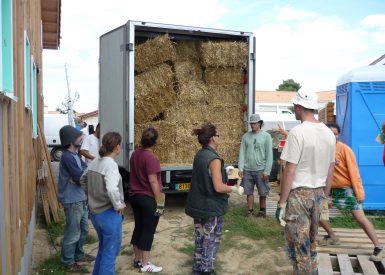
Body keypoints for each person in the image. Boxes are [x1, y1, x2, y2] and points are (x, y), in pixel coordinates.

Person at [275, 90, 336, 274]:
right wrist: (325, 196)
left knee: (299, 248)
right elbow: (330, 169)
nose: (294, 109)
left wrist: (282, 203)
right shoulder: (328, 133)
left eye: (294, 106)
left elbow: (290, 171)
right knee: (311, 244)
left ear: (299, 107)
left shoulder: (297, 132)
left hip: (299, 197)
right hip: (318, 194)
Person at [319, 123, 385, 261]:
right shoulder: (321, 149)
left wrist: (359, 193)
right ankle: (332, 236)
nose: (333, 136)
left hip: (346, 189)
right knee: (318, 213)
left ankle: (378, 247)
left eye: (335, 134)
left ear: (339, 135)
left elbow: (354, 173)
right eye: (330, 133)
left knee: (359, 217)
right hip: (328, 189)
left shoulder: (344, 149)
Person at [185, 122, 244, 275]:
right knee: (210, 239)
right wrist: (234, 188)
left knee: (200, 237)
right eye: (218, 135)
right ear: (212, 138)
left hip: (198, 206)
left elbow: (207, 176)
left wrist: (225, 171)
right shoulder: (214, 159)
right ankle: (207, 269)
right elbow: (218, 187)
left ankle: (197, 267)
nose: (219, 138)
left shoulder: (200, 154)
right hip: (211, 207)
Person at [80, 132, 126, 274]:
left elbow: (82, 179)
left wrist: (92, 195)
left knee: (104, 249)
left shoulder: (95, 162)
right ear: (117, 147)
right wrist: (118, 205)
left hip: (95, 214)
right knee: (109, 254)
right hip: (109, 215)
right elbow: (112, 189)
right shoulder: (110, 165)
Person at [58, 125, 95, 272]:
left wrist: (85, 174)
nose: (82, 138)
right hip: (71, 200)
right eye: (79, 136)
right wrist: (85, 175)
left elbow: (86, 170)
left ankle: (78, 255)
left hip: (80, 197)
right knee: (72, 233)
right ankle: (67, 261)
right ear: (71, 139)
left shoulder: (76, 154)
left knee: (84, 229)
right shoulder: (67, 156)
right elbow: (80, 177)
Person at [129, 128, 164, 273]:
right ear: (155, 141)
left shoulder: (135, 154)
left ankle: (137, 260)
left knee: (139, 227)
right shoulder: (151, 158)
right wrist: (160, 201)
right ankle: (145, 264)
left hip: (135, 197)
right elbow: (153, 181)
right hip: (147, 198)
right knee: (148, 231)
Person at [238, 113, 273, 217]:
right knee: (248, 192)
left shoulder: (266, 136)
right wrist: (241, 167)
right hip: (247, 169)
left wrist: (267, 171)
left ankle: (262, 211)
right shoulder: (245, 136)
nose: (252, 125)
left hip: (261, 169)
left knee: (263, 192)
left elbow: (269, 155)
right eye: (251, 123)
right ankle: (250, 211)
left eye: (254, 123)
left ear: (260, 123)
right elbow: (242, 153)